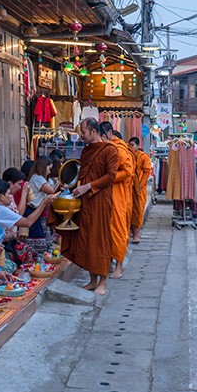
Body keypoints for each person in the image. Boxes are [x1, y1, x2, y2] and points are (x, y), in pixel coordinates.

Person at [63, 117, 119, 295]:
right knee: (86, 239)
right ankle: (92, 279)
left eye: (83, 132)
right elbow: (83, 172)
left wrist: (88, 186)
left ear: (93, 132)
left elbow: (110, 176)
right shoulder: (87, 151)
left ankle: (103, 281)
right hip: (85, 200)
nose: (81, 136)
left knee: (100, 239)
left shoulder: (110, 150)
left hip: (100, 200)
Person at [0, 181, 58, 271]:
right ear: (1, 197)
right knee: (11, 267)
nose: (11, 196)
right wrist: (44, 203)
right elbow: (27, 222)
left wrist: (12, 236)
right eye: (9, 193)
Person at [100, 122, 135, 279]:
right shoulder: (107, 148)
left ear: (107, 134)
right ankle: (107, 263)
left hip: (119, 196)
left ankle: (119, 267)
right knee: (106, 232)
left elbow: (128, 171)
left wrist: (110, 178)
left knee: (118, 230)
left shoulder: (119, 149)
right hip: (106, 196)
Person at [26, 156, 58, 240]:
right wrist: (61, 182)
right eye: (49, 168)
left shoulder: (36, 178)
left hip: (35, 210)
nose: (49, 171)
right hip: (33, 210)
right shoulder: (38, 178)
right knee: (37, 236)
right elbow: (52, 191)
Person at [129, 137, 153, 244]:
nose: (130, 147)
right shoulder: (128, 156)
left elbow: (147, 171)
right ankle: (130, 232)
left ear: (137, 146)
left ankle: (136, 234)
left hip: (139, 189)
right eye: (129, 145)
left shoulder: (143, 157)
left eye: (132, 145)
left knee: (137, 212)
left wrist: (140, 185)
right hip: (128, 188)